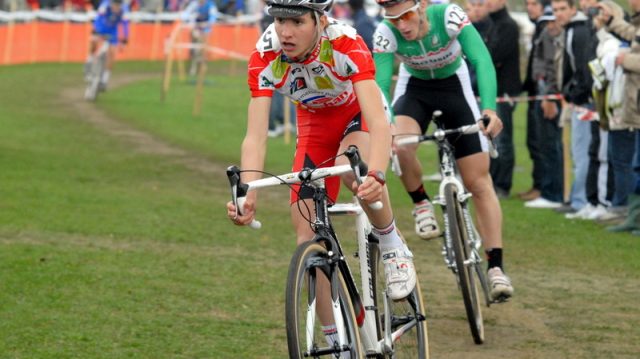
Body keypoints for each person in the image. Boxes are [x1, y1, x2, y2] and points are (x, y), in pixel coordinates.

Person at [226, 0, 417, 339]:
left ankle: (391, 244)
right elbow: (255, 136)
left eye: (297, 21)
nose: (285, 31)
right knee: (307, 240)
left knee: (348, 168)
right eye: (280, 21)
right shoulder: (265, 55)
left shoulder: (344, 42)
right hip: (314, 127)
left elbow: (376, 119)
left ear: (320, 20)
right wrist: (248, 191)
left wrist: (375, 173)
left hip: (358, 116)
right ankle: (336, 340)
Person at [372, 0, 513, 300]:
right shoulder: (385, 33)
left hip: (454, 87)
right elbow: (381, 85)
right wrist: (390, 124)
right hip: (415, 90)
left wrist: (489, 108)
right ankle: (421, 202)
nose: (402, 25)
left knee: (478, 182)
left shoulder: (448, 15)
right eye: (394, 19)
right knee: (402, 144)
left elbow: (482, 59)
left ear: (422, 5)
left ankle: (496, 267)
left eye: (407, 16)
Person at [598, 0, 640, 232]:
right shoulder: (636, 23)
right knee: (636, 165)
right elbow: (632, 33)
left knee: (637, 165)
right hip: (635, 106)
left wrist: (627, 60)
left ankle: (634, 217)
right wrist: (612, 20)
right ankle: (634, 217)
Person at [523, 2, 565, 208]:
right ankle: (548, 191)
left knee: (551, 146)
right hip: (541, 95)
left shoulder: (550, 31)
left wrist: (548, 96)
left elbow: (550, 66)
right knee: (545, 145)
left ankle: (552, 194)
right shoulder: (542, 30)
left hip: (548, 96)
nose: (551, 24)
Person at [485, 0, 522, 198]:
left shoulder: (508, 25)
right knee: (492, 138)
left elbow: (494, 55)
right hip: (494, 91)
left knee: (503, 139)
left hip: (504, 91)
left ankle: (502, 185)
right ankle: (492, 181)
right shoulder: (493, 23)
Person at [84, 0, 130, 90]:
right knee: (93, 42)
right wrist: (95, 30)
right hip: (101, 27)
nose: (116, 8)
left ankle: (105, 78)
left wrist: (125, 39)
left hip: (113, 31)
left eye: (118, 5)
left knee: (112, 53)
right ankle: (89, 60)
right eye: (114, 5)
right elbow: (98, 18)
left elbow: (125, 25)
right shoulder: (105, 5)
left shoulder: (125, 10)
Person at [181, 0, 218, 76]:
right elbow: (185, 15)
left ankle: (202, 66)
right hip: (196, 29)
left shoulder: (210, 5)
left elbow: (213, 17)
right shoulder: (194, 4)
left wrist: (207, 24)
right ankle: (193, 67)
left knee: (203, 49)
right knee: (195, 49)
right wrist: (191, 19)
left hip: (205, 29)